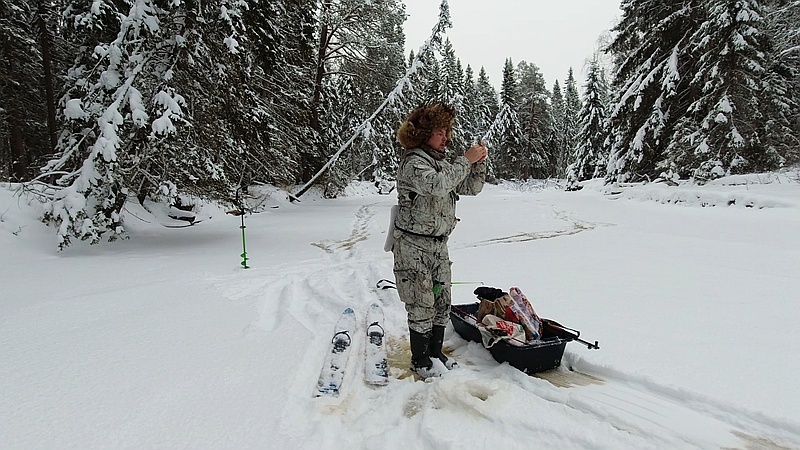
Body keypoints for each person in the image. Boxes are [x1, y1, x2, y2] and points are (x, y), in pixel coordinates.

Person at [391, 103, 488, 379]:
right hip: (413, 246)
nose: (446, 137)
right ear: (423, 134)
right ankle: (420, 360)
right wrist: (465, 160)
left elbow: (471, 187)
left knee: (440, 301)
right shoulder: (413, 163)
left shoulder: (443, 163)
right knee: (420, 303)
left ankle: (435, 353)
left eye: (447, 131)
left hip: (438, 245)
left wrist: (478, 165)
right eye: (439, 132)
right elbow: (437, 185)